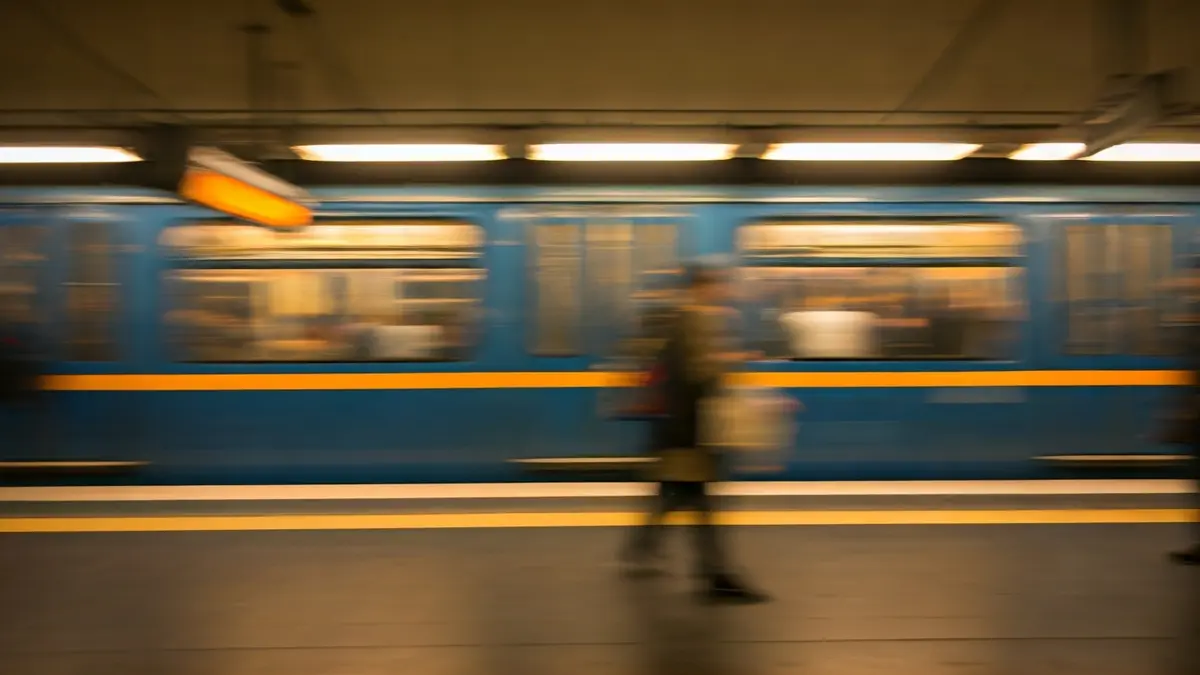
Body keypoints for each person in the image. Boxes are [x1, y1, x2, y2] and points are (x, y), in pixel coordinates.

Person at [620, 263, 768, 602]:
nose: (725, 292)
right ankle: (715, 575)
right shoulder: (695, 319)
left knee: (677, 495)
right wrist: (733, 359)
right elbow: (701, 373)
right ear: (703, 287)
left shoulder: (678, 319)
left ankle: (646, 549)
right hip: (689, 431)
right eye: (719, 286)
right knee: (699, 501)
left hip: (675, 429)